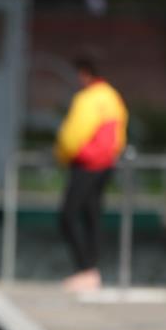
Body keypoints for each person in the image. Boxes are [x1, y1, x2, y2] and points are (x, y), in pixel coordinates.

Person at [54, 56, 128, 292]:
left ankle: (85, 270)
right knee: (92, 215)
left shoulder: (86, 98)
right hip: (106, 164)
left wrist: (62, 155)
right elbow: (121, 130)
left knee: (68, 215)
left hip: (86, 164)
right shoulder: (112, 96)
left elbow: (73, 134)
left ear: (85, 73)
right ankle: (91, 270)